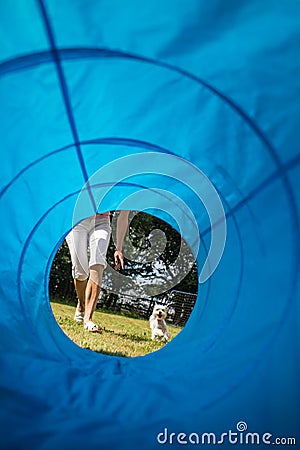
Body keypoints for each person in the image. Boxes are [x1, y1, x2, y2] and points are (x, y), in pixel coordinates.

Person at [66, 210, 129, 332]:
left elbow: (123, 216)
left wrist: (119, 249)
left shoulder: (124, 191)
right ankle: (82, 304)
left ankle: (88, 319)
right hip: (78, 219)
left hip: (102, 222)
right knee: (80, 272)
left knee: (98, 264)